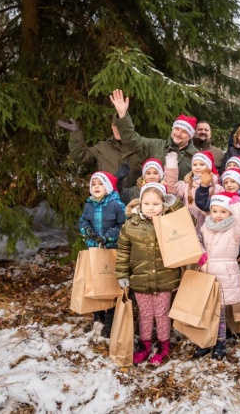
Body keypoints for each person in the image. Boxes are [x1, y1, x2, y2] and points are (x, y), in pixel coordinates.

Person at [115, 183, 183, 365]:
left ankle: (163, 345)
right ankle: (144, 345)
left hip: (165, 277)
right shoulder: (131, 225)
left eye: (156, 204)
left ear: (163, 204)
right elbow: (123, 251)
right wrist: (122, 273)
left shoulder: (170, 221)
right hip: (140, 277)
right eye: (147, 204)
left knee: (161, 314)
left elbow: (189, 222)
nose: (151, 208)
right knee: (144, 314)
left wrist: (174, 204)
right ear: (140, 204)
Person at [193, 192, 240, 360]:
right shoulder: (206, 226)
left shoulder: (234, 229)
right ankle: (205, 341)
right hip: (207, 272)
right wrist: (201, 254)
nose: (218, 215)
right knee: (206, 311)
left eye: (223, 211)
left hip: (225, 274)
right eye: (215, 211)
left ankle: (220, 343)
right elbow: (197, 239)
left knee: (220, 314)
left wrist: (237, 207)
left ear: (230, 213)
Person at [78, 171, 126, 339]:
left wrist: (108, 236)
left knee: (111, 284)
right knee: (96, 283)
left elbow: (123, 224)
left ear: (107, 187)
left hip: (112, 250)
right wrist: (87, 231)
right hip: (95, 250)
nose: (96, 187)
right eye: (93, 184)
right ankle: (98, 317)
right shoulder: (89, 204)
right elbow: (83, 220)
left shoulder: (116, 204)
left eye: (100, 184)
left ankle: (111, 321)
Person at [110, 89, 197, 180]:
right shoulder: (154, 146)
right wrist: (122, 115)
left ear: (190, 136)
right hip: (152, 193)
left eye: (184, 132)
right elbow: (132, 139)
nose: (178, 134)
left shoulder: (196, 156)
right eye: (177, 129)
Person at [58, 118, 140, 191]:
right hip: (107, 201)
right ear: (112, 126)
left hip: (133, 202)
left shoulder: (140, 147)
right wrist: (75, 134)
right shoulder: (102, 147)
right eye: (116, 126)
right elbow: (80, 156)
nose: (118, 129)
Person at [164, 150, 223, 234]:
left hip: (209, 231)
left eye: (202, 164)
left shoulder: (218, 189)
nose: (197, 167)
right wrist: (171, 168)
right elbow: (171, 190)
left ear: (209, 167)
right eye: (195, 164)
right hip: (187, 229)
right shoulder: (185, 185)